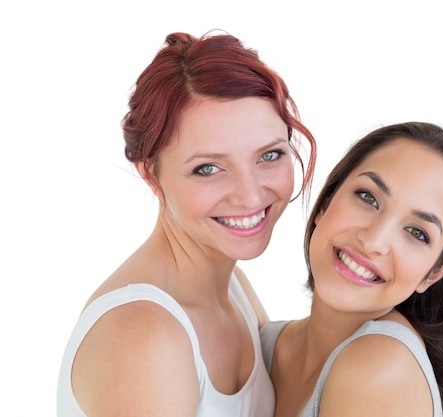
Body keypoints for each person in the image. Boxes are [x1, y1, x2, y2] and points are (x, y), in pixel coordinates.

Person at [57, 31, 316, 417]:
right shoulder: (143, 334)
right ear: (151, 174)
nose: (249, 195)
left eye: (270, 155)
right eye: (208, 168)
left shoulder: (229, 285)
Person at [261, 122, 443, 417]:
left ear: (435, 271)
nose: (373, 241)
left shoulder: (380, 368)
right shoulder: (263, 343)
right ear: (326, 203)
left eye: (416, 232)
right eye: (368, 198)